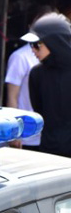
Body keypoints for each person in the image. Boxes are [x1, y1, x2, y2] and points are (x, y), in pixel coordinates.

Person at [6, 7, 55, 149]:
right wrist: (15, 133)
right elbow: (12, 97)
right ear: (30, 28)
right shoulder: (20, 57)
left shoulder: (60, 57)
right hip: (27, 135)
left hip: (51, 135)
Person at [25, 13, 71, 157]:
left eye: (37, 44)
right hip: (49, 150)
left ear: (54, 42)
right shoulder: (37, 74)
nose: (32, 49)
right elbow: (40, 110)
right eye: (30, 45)